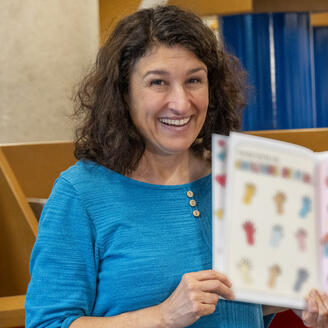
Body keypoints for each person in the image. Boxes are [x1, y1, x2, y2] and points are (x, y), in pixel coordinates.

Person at [25, 5, 328, 328]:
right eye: (158, 83)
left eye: (194, 80)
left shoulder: (242, 177)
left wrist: (299, 300)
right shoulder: (81, 194)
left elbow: (237, 306)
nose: (181, 103)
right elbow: (48, 323)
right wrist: (162, 316)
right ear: (124, 93)